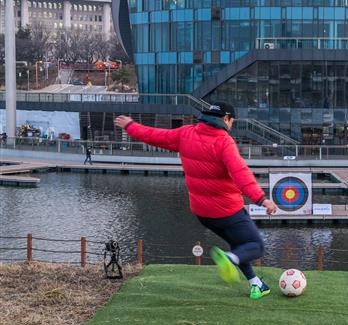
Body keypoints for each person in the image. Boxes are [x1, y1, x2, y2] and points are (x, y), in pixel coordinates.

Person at [114, 101, 277, 299]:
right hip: (227, 211)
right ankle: (229, 259)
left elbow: (154, 136)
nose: (232, 124)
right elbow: (241, 174)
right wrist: (262, 200)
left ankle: (256, 284)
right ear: (225, 119)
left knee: (240, 246)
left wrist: (130, 126)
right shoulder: (224, 142)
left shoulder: (186, 133)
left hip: (203, 213)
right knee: (255, 246)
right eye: (232, 120)